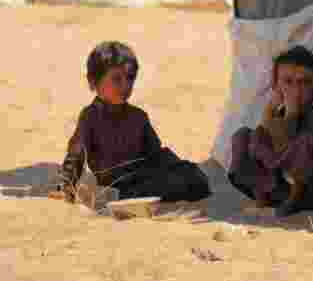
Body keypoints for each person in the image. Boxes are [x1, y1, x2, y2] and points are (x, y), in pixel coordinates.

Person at [52, 41, 211, 204]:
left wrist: (178, 167)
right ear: (93, 81)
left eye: (130, 78)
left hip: (143, 175)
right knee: (157, 186)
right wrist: (66, 187)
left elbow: (156, 154)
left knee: (193, 175)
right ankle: (121, 197)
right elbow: (75, 156)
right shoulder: (91, 116)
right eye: (116, 79)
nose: (125, 85)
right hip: (117, 182)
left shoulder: (138, 116)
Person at [227, 45, 313, 217]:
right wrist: (270, 111)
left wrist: (292, 114)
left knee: (305, 143)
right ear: (275, 86)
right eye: (288, 82)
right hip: (278, 188)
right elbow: (262, 139)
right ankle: (261, 197)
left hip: (311, 193)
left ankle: (292, 201)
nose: (296, 90)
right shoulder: (277, 113)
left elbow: (283, 141)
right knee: (244, 135)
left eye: (305, 83)